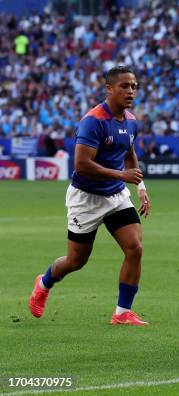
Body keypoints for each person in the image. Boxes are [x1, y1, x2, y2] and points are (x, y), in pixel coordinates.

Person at [28, 66, 151, 326]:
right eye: (124, 86)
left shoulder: (130, 120)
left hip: (115, 195)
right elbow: (82, 165)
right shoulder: (93, 121)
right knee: (76, 261)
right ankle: (44, 282)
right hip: (86, 198)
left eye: (134, 86)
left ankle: (122, 313)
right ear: (109, 89)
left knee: (135, 248)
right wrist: (121, 176)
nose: (131, 91)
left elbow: (129, 153)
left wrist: (140, 188)